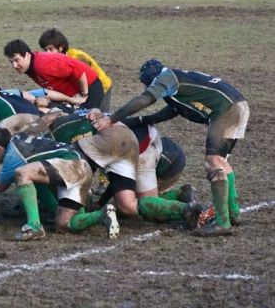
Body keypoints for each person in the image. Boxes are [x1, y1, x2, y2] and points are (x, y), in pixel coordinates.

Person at [94, 59, 249, 237]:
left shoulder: (164, 79)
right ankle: (233, 213)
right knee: (221, 161)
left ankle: (223, 223)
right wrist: (148, 119)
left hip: (227, 110)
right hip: (237, 105)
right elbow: (175, 108)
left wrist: (112, 118)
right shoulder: (176, 79)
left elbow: (145, 99)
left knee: (213, 162)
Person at [49, 110, 204, 229]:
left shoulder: (57, 134)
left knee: (154, 212)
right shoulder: (75, 115)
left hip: (142, 147)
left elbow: (79, 174)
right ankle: (184, 203)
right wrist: (101, 201)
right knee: (127, 205)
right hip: (130, 141)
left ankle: (182, 203)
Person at [0, 128, 119, 241]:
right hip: (82, 167)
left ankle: (34, 226)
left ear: (0, 149)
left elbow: (0, 185)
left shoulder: (13, 154)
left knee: (22, 173)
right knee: (63, 225)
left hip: (71, 165)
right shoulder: (19, 137)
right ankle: (102, 214)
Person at [3, 39, 104, 109]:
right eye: (11, 62)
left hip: (90, 87)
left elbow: (79, 71)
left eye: (17, 60)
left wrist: (84, 95)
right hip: (74, 94)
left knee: (86, 121)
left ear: (28, 55)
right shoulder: (30, 67)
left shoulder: (43, 65)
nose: (15, 65)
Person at [38, 28, 113, 111]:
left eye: (50, 49)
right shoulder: (53, 62)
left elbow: (86, 79)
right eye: (45, 50)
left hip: (102, 86)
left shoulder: (77, 57)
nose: (47, 53)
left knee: (99, 116)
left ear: (61, 48)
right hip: (81, 92)